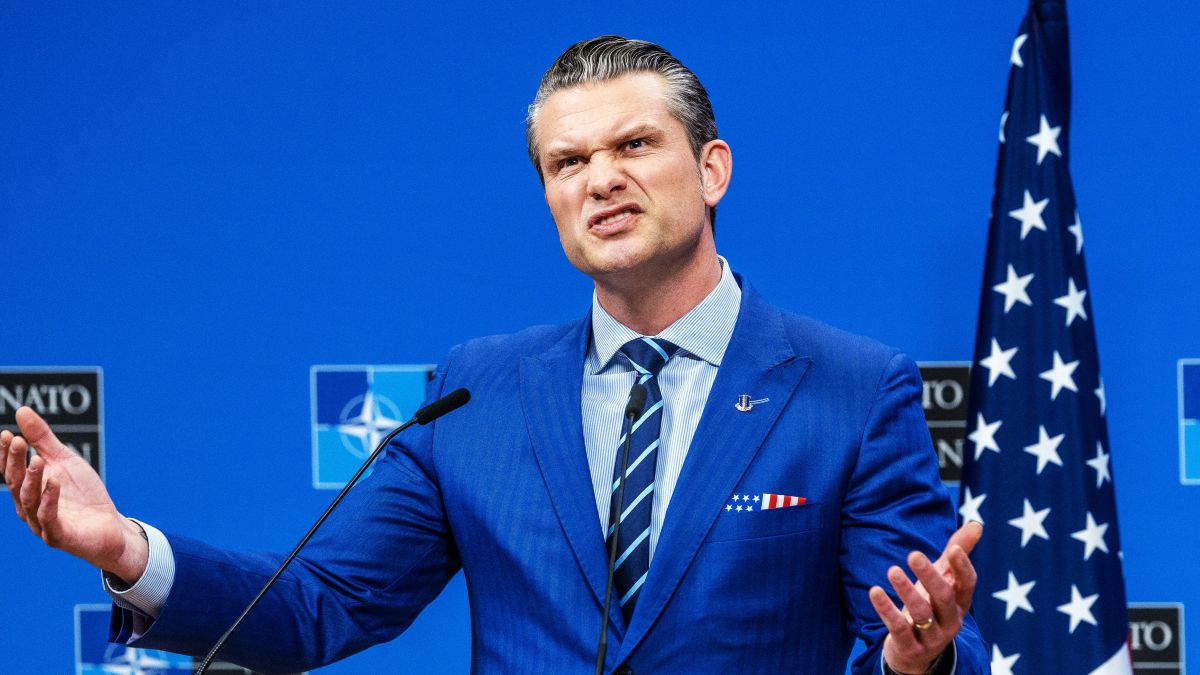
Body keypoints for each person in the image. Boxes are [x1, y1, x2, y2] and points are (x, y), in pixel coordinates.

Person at [2, 36, 987, 673]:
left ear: (712, 169)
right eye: (567, 163)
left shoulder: (853, 390)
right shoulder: (478, 391)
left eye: (634, 146)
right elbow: (314, 606)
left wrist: (916, 661)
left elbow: (913, 633)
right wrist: (125, 548)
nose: (600, 179)